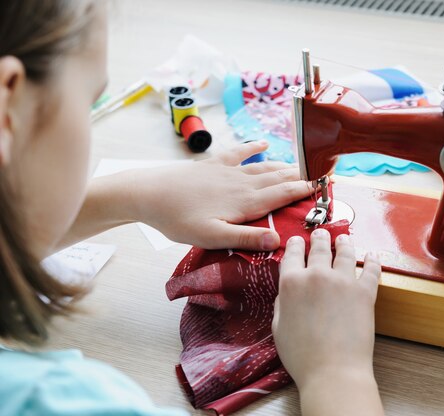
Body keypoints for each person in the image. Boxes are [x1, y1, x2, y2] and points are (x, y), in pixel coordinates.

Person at [0, 1, 384, 415]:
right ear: (8, 111)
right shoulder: (63, 401)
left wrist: (132, 194)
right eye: (89, 101)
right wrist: (337, 375)